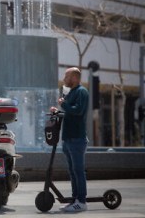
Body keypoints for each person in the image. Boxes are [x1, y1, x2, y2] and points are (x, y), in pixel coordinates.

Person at [50, 67, 89, 212]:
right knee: (73, 171)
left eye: (66, 76)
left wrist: (63, 104)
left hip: (77, 138)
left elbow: (78, 110)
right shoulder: (72, 92)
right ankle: (75, 200)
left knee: (78, 171)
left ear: (74, 78)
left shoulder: (81, 92)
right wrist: (58, 111)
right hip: (68, 138)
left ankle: (82, 202)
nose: (64, 79)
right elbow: (69, 113)